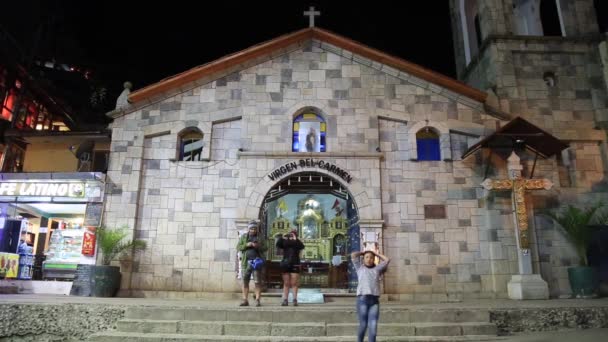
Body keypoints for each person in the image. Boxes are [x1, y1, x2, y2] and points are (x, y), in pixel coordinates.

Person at [351, 250, 390, 342]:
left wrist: (376, 253)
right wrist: (363, 252)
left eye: (371, 258)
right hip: (362, 300)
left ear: (374, 259)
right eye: (367, 257)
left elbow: (387, 260)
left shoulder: (377, 269)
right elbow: (353, 255)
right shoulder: (360, 268)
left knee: (373, 327)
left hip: (374, 302)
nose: (369, 259)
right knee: (363, 325)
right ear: (363, 259)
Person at [236, 220, 267, 307]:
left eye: (255, 229)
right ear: (249, 229)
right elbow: (238, 247)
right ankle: (245, 300)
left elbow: (266, 247)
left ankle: (257, 300)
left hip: (257, 262)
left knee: (257, 282)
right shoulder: (244, 237)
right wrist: (247, 245)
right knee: (245, 282)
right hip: (246, 262)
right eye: (252, 229)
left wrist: (258, 246)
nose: (253, 230)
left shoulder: (260, 237)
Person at [276, 229, 305, 306]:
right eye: (290, 234)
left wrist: (296, 239)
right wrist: (282, 237)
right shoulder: (285, 242)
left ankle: (295, 299)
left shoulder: (297, 242)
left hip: (295, 263)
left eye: (293, 234)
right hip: (285, 263)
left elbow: (302, 246)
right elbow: (278, 244)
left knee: (294, 283)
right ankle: (285, 299)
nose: (291, 236)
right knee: (286, 283)